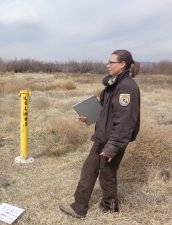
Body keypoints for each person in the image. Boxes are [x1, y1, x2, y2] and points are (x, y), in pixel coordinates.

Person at [60, 50, 141, 219]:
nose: (108, 65)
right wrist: (90, 116)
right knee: (97, 171)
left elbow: (126, 121)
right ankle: (97, 207)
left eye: (111, 62)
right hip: (104, 136)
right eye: (108, 62)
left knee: (100, 172)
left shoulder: (127, 87)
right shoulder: (113, 85)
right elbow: (107, 111)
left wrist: (112, 147)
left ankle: (94, 207)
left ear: (122, 64)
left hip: (112, 139)